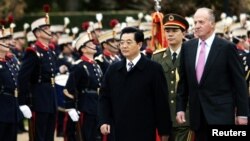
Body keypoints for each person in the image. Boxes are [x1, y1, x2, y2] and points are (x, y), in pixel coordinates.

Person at [176, 7, 249, 141]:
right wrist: (180, 108)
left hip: (221, 115)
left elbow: (239, 82)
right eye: (195, 22)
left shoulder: (227, 47)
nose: (196, 26)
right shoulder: (187, 47)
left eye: (201, 22)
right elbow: (183, 81)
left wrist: (242, 113)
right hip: (197, 116)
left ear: (212, 24)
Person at [98, 27, 172, 141]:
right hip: (118, 131)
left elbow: (161, 102)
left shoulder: (153, 69)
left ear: (139, 44)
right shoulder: (113, 69)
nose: (124, 46)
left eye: (128, 42)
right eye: (121, 43)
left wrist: (164, 131)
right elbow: (104, 97)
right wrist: (104, 120)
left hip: (144, 131)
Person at [151, 13, 192, 141]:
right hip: (164, 117)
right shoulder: (157, 57)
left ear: (183, 33)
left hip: (186, 116)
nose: (170, 34)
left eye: (174, 31)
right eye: (167, 30)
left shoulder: (192, 55)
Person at [18, 11, 58, 141]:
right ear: (37, 33)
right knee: (39, 135)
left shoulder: (50, 51)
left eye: (49, 28)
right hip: (39, 97)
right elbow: (23, 78)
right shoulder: (33, 52)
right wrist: (22, 102)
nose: (49, 30)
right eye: (45, 28)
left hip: (51, 95)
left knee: (49, 134)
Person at [63, 33, 103, 141]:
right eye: (90, 44)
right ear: (83, 49)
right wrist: (70, 107)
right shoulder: (79, 66)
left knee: (97, 136)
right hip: (86, 105)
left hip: (97, 104)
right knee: (87, 135)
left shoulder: (96, 64)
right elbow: (68, 88)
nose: (94, 45)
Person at [0, 25, 31, 141]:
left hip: (11, 107)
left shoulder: (8, 63)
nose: (7, 42)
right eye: (3, 40)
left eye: (7, 40)